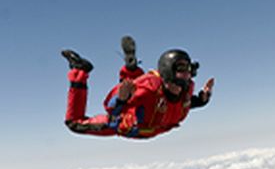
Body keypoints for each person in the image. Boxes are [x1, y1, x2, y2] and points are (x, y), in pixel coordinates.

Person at [62, 36, 214, 139]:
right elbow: (110, 107)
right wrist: (120, 100)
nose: (187, 74)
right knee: (75, 124)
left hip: (149, 124)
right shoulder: (150, 88)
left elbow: (179, 104)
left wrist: (202, 99)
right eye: (181, 68)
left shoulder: (186, 90)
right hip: (131, 125)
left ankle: (132, 68)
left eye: (188, 69)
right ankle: (79, 72)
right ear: (168, 71)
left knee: (133, 89)